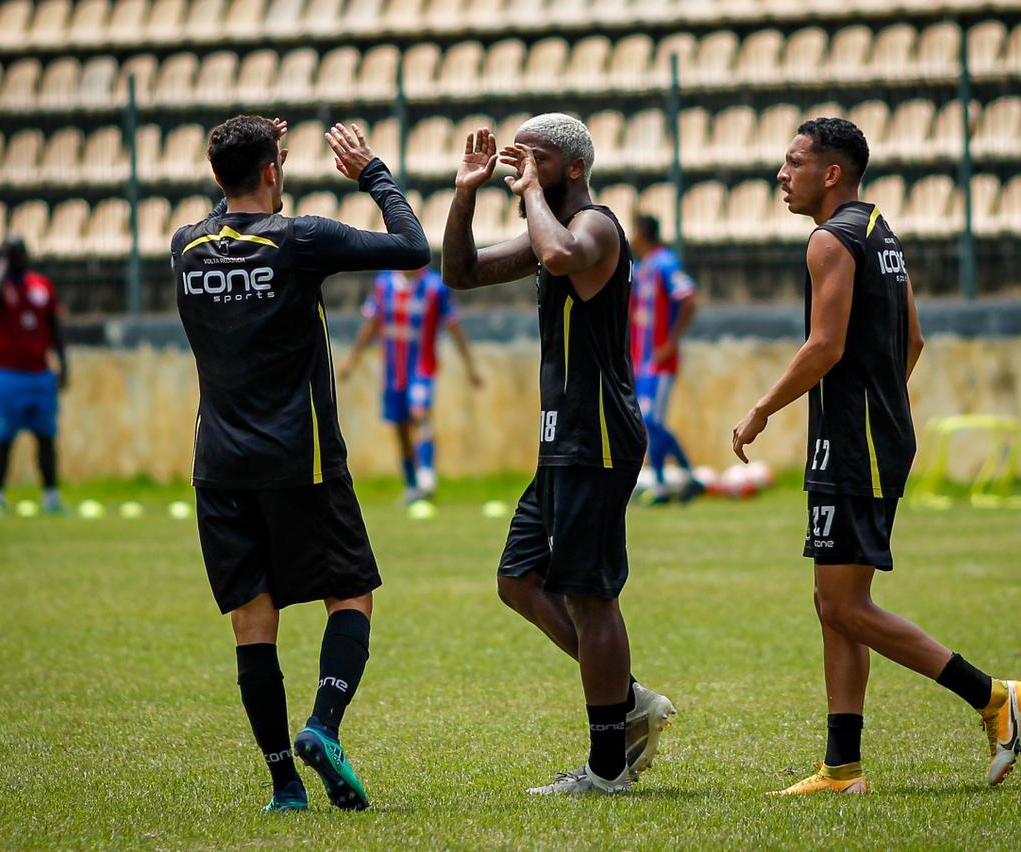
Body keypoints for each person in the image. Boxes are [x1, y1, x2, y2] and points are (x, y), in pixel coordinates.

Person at [730, 117, 1021, 795]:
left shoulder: (828, 240)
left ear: (830, 173)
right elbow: (915, 339)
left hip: (854, 442)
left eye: (794, 163)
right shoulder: (879, 232)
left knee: (847, 605)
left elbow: (824, 347)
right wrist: (881, 405)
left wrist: (760, 410)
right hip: (876, 434)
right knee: (833, 601)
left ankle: (992, 696)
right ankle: (842, 768)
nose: (783, 174)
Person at [173, 115, 428, 813]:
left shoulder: (185, 246)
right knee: (350, 594)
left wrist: (255, 156)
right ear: (274, 172)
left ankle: (284, 784)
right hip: (302, 459)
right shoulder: (301, 239)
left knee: (252, 622)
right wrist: (371, 172)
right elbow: (412, 247)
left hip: (219, 466)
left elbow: (234, 207)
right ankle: (324, 726)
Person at [442, 114, 675, 796]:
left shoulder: (596, 226)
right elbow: (460, 272)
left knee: (589, 596)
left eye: (535, 158)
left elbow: (559, 256)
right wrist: (465, 193)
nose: (521, 166)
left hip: (597, 431)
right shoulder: (549, 225)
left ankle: (608, 769)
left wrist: (529, 194)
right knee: (519, 578)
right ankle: (629, 700)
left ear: (572, 168)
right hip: (562, 435)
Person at [339, 264, 482, 503]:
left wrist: (470, 366)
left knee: (420, 412)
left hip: (421, 368)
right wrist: (353, 361)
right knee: (401, 428)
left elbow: (454, 328)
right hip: (393, 372)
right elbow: (371, 325)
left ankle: (426, 473)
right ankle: (412, 484)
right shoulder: (383, 284)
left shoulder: (435, 288)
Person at [0, 235, 67, 517]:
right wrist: (2, 262)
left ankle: (51, 497)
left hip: (39, 375)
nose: (19, 257)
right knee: (3, 438)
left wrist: (64, 365)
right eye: (12, 253)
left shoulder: (42, 286)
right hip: (5, 376)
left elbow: (55, 328)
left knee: (46, 438)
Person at [629, 214, 701, 504]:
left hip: (658, 361)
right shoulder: (640, 268)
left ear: (642, 233)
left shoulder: (665, 263)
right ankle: (673, 481)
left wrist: (671, 341)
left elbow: (689, 297)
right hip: (639, 362)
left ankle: (679, 477)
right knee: (646, 423)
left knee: (650, 420)